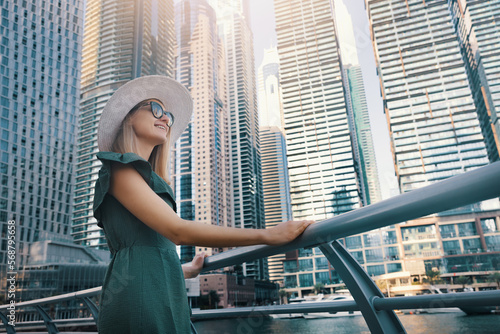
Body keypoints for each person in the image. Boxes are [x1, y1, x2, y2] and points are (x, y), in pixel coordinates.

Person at [93, 75, 314, 333]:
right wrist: (268, 235)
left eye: (168, 116)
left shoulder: (148, 178)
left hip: (165, 295)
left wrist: (186, 269)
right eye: (155, 109)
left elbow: (151, 249)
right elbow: (176, 231)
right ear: (128, 117)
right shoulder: (119, 169)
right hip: (140, 298)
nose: (165, 118)